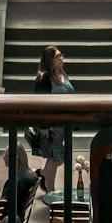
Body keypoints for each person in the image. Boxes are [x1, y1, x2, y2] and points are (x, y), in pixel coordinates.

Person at [33, 46, 74, 191]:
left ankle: (43, 174)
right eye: (57, 57)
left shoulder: (62, 74)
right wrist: (43, 125)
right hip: (51, 125)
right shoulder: (44, 77)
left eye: (61, 56)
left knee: (58, 157)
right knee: (54, 157)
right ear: (49, 60)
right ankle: (50, 192)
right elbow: (39, 104)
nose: (61, 59)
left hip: (63, 124)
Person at [0, 144, 38, 223]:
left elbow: (2, 205)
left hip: (2, 219)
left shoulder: (16, 182)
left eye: (6, 155)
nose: (3, 158)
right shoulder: (31, 176)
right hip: (18, 216)